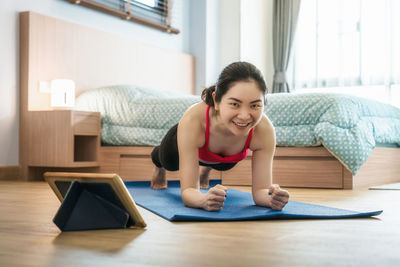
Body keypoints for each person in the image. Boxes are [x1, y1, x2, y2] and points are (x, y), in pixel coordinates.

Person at [151, 61, 289, 212]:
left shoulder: (264, 130)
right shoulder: (193, 121)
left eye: (255, 105)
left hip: (224, 160)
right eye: (235, 104)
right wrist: (203, 200)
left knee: (224, 165)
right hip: (178, 145)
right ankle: (159, 167)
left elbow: (261, 191)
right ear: (216, 100)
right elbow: (188, 191)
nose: (244, 116)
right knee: (167, 161)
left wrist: (271, 198)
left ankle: (206, 168)